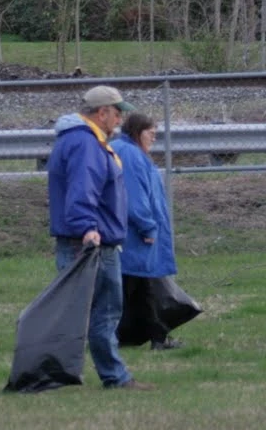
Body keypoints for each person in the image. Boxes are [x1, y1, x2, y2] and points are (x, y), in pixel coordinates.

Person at [46, 85, 151, 389]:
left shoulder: (76, 139)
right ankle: (114, 377)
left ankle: (54, 373)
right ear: (102, 112)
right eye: (117, 113)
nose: (120, 120)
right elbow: (83, 188)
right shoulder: (86, 143)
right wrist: (87, 228)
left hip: (84, 239)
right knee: (103, 312)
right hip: (93, 242)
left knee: (77, 312)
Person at [111, 112, 183, 350]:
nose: (154, 138)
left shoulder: (126, 150)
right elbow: (135, 197)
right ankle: (148, 337)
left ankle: (150, 337)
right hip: (135, 235)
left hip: (130, 233)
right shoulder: (131, 155)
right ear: (137, 132)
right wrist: (148, 227)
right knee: (139, 287)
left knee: (140, 287)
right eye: (150, 133)